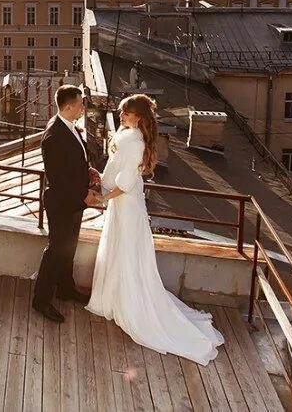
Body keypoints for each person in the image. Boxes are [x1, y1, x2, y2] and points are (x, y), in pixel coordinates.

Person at [86, 93, 224, 365]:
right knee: (122, 252)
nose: (121, 116)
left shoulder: (133, 143)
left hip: (126, 207)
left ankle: (128, 304)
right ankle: (114, 299)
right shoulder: (132, 139)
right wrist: (100, 179)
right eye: (122, 111)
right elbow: (119, 175)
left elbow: (123, 185)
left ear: (138, 117)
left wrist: (100, 198)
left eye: (126, 113)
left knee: (126, 255)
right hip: (126, 205)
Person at [32, 85, 104, 323]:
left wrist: (88, 170)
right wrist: (84, 194)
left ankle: (65, 289)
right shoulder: (53, 136)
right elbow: (58, 177)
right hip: (62, 203)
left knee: (69, 247)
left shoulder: (67, 126)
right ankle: (41, 301)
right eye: (81, 103)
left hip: (73, 202)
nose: (84, 107)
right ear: (69, 106)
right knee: (56, 251)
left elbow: (72, 161)